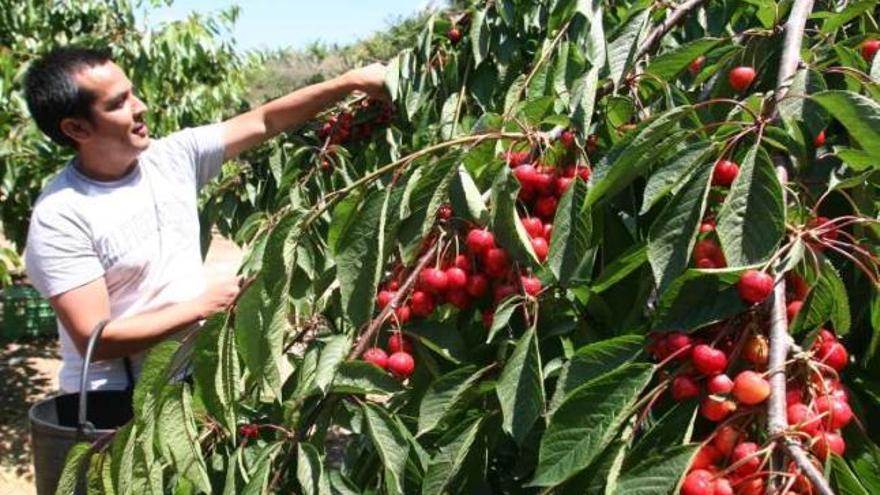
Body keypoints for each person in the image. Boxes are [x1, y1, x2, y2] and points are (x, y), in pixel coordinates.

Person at [23, 46, 386, 393]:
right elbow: (95, 339)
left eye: (132, 93)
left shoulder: (171, 159)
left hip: (189, 380)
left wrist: (348, 82)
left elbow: (265, 120)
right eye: (118, 103)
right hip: (115, 406)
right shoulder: (61, 217)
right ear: (76, 129)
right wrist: (200, 307)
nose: (140, 107)